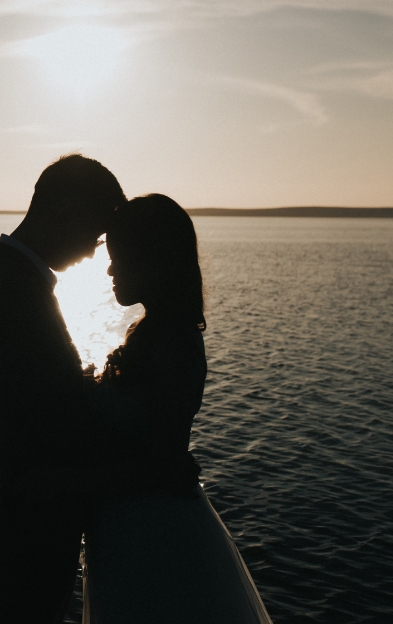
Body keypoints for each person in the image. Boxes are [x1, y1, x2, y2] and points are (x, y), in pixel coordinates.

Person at [82, 194, 273, 624]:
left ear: (151, 259)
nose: (110, 270)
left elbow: (164, 463)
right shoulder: (151, 332)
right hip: (131, 527)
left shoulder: (174, 344)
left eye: (119, 257)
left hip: (156, 537)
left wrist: (61, 483)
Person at [0, 154, 126, 624]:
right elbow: (56, 419)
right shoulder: (17, 291)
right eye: (94, 235)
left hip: (31, 502)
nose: (96, 253)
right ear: (63, 212)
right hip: (38, 509)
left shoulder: (8, 276)